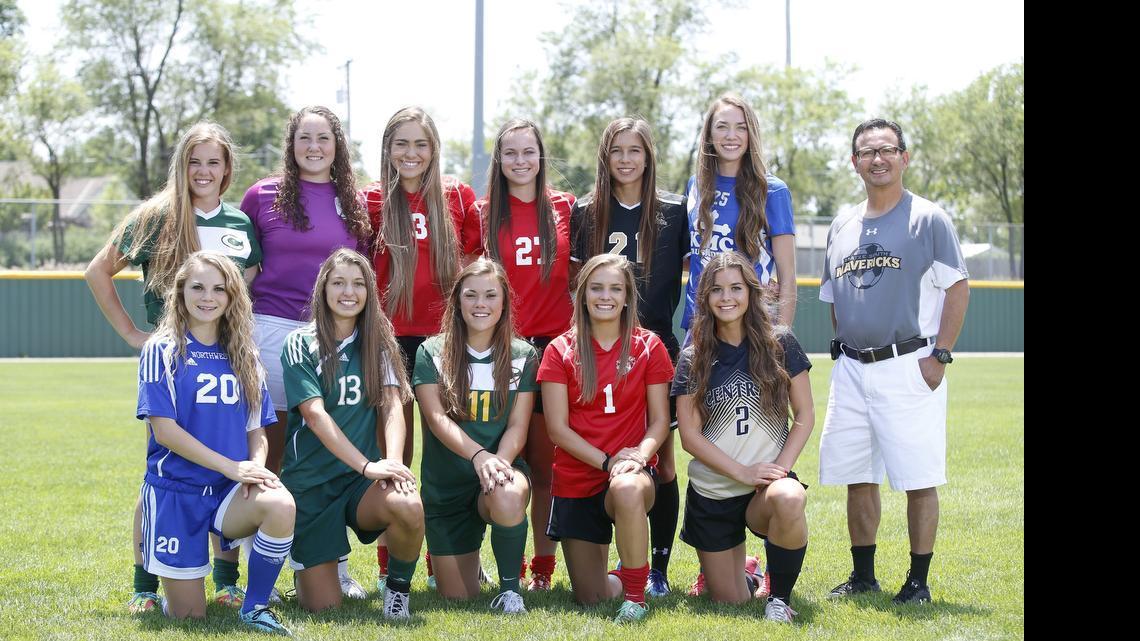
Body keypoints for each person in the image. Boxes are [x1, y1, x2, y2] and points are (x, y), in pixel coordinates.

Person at [85, 121, 260, 613]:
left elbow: (241, 294)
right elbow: (97, 271)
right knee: (160, 475)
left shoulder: (240, 224)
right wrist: (134, 337)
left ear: (227, 169)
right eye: (194, 161)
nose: (203, 171)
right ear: (181, 165)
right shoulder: (156, 216)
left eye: (214, 162)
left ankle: (227, 580)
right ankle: (144, 586)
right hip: (172, 364)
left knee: (225, 466)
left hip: (224, 361)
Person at [819, 118, 970, 605]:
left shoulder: (928, 218)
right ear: (854, 162)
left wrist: (939, 356)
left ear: (905, 157)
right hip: (851, 368)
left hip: (909, 363)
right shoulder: (842, 224)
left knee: (917, 478)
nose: (877, 159)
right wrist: (842, 343)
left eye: (887, 150)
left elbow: (957, 287)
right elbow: (835, 298)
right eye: (867, 152)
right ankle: (864, 576)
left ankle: (917, 582)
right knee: (858, 476)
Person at [240, 105, 372, 598]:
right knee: (271, 452)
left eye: (324, 138)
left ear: (337, 145)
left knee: (324, 451)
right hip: (271, 332)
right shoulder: (263, 195)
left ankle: (329, 563)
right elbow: (243, 270)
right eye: (304, 139)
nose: (314, 148)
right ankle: (263, 569)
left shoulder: (354, 201)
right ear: (291, 145)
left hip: (334, 336)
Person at [135, 251, 294, 635]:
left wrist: (254, 468)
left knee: (280, 504)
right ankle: (148, 586)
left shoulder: (244, 355)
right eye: (198, 287)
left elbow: (257, 430)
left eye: (219, 289)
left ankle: (255, 607)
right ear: (180, 292)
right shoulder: (161, 350)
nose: (208, 297)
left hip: (228, 491)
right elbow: (165, 432)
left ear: (232, 296)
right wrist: (231, 466)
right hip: (178, 493)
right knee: (190, 619)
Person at [682, 93, 798, 596]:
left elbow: (787, 276)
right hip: (700, 334)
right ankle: (724, 561)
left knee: (756, 432)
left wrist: (779, 339)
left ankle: (767, 560)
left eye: (740, 127)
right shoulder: (696, 189)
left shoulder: (772, 189)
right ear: (708, 135)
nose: (730, 135)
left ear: (751, 134)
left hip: (754, 335)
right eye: (721, 127)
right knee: (708, 435)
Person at [362, 107, 480, 590]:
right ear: (388, 149)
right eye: (402, 144)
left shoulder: (457, 197)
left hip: (442, 342)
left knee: (447, 451)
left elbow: (472, 266)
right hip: (388, 339)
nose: (411, 154)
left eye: (421, 144)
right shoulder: (369, 201)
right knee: (396, 451)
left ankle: (443, 560)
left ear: (434, 149)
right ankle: (393, 562)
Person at [569, 117, 688, 597]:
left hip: (656, 343)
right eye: (616, 150)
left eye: (634, 150)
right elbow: (577, 283)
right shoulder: (586, 211)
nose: (625, 159)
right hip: (601, 346)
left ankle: (657, 567)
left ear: (648, 156)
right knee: (608, 442)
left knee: (663, 459)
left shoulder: (674, 212)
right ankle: (613, 550)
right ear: (605, 156)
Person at [279, 248, 425, 619]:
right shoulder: (300, 343)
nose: (349, 292)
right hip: (311, 485)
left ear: (369, 292)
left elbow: (393, 406)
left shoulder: (377, 341)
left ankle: (397, 593)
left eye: (358, 284)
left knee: (407, 502)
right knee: (323, 607)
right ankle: (307, 570)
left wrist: (391, 462)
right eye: (339, 282)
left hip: (359, 484)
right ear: (323, 289)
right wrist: (367, 466)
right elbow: (315, 416)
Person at [672, 251, 813, 624]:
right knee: (730, 603)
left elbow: (805, 416)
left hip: (762, 489)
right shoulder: (694, 356)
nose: (726, 297)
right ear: (705, 298)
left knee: (789, 497)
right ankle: (748, 573)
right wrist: (743, 472)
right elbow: (689, 437)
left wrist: (778, 472)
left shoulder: (779, 342)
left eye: (736, 288)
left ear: (751, 292)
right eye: (716, 290)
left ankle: (779, 599)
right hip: (714, 492)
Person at [537, 254, 673, 623]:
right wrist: (606, 461)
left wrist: (638, 458)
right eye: (596, 288)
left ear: (628, 296)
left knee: (628, 489)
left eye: (615, 288)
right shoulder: (559, 350)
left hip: (630, 472)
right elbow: (557, 429)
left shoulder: (649, 346)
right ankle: (622, 575)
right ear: (582, 295)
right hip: (579, 478)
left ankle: (635, 598)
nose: (605, 296)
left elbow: (660, 421)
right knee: (591, 597)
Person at [476, 118, 576, 590]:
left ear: (541, 156)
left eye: (528, 152)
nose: (520, 161)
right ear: (499, 159)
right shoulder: (481, 213)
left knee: (544, 464)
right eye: (510, 152)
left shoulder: (565, 208)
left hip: (550, 351)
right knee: (490, 458)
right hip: (494, 350)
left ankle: (541, 568)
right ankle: (469, 561)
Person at [413, 258, 538, 614]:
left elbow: (518, 426)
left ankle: (511, 591)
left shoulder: (522, 355)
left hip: (497, 474)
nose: (480, 303)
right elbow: (437, 419)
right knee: (457, 597)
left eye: (489, 295)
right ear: (457, 301)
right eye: (471, 295)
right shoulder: (431, 352)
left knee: (509, 493)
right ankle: (469, 563)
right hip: (447, 487)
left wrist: (498, 464)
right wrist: (478, 456)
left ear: (504, 303)